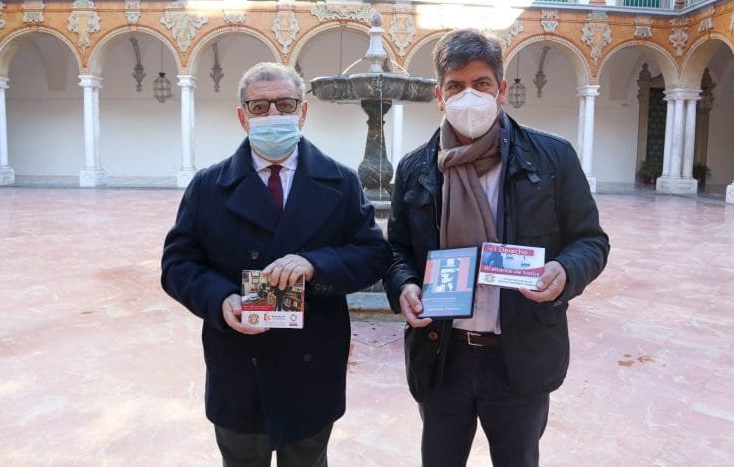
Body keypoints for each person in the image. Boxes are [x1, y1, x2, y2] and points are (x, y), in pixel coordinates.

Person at [385, 29, 610, 466]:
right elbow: (396, 251)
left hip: (518, 356)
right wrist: (405, 286)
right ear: (439, 95)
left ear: (502, 90)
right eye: (456, 86)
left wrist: (566, 272)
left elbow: (590, 241)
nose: (469, 96)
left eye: (481, 84)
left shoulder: (552, 158)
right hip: (442, 353)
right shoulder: (415, 168)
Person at [161, 62, 391, 467]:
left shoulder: (340, 182)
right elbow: (178, 263)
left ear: (302, 112)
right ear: (241, 116)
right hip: (238, 363)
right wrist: (221, 300)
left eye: (284, 105)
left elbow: (373, 254)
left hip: (311, 364)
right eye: (259, 106)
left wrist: (315, 264)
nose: (273, 116)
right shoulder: (208, 187)